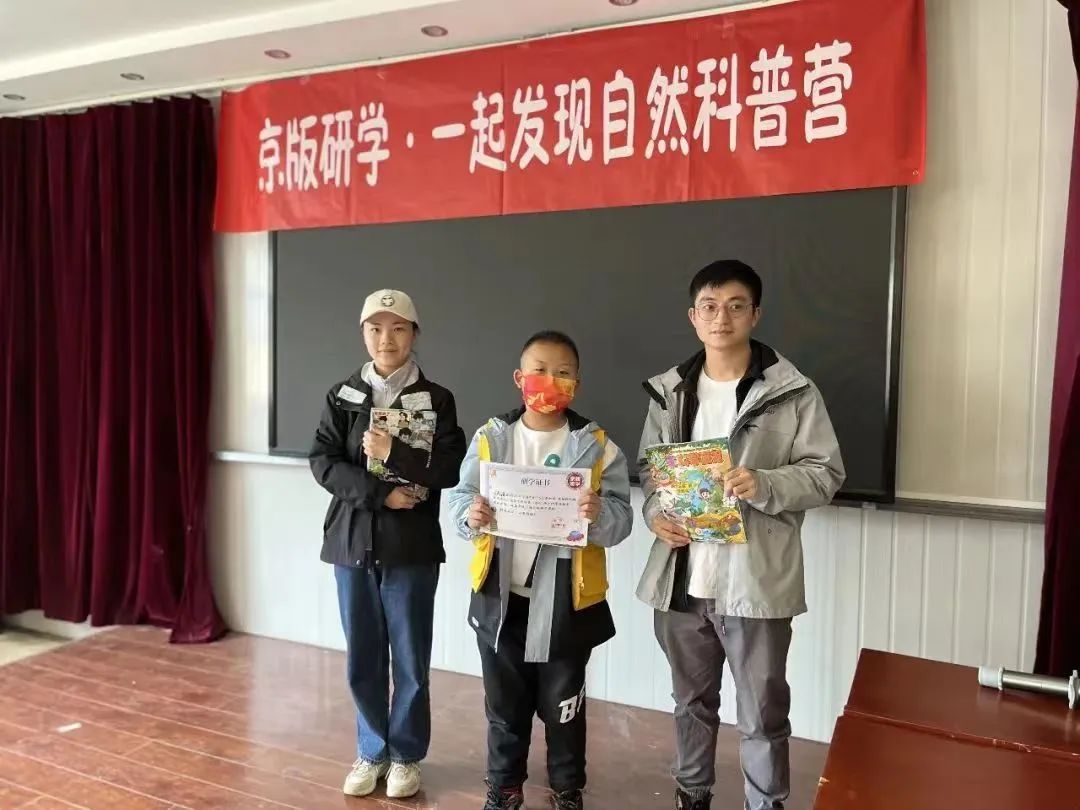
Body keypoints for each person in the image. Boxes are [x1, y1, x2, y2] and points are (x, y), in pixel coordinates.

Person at [635, 261, 845, 810]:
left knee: (763, 712)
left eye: (735, 306)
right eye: (709, 306)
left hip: (755, 581)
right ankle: (692, 794)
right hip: (683, 579)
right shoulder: (669, 392)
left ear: (755, 314)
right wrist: (655, 515)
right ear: (693, 317)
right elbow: (652, 473)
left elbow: (826, 474)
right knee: (690, 703)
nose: (721, 317)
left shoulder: (793, 392)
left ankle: (765, 802)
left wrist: (765, 483)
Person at [448, 331, 633, 810]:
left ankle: (567, 789)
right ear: (519, 378)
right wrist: (470, 515)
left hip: (567, 601)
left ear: (577, 383)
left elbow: (621, 520)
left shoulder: (597, 446)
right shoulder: (491, 438)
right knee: (503, 704)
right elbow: (460, 498)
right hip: (500, 598)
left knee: (564, 706)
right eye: (539, 370)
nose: (550, 381)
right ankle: (504, 788)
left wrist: (598, 515)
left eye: (563, 373)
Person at [309, 289, 466, 799]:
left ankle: (405, 757)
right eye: (375, 328)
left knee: (411, 657)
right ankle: (371, 750)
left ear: (414, 334)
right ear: (363, 333)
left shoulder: (437, 400)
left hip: (411, 546)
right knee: (364, 655)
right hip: (351, 540)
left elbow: (449, 468)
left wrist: (392, 449)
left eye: (398, 328)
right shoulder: (342, 395)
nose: (386, 339)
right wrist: (381, 494)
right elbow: (323, 461)